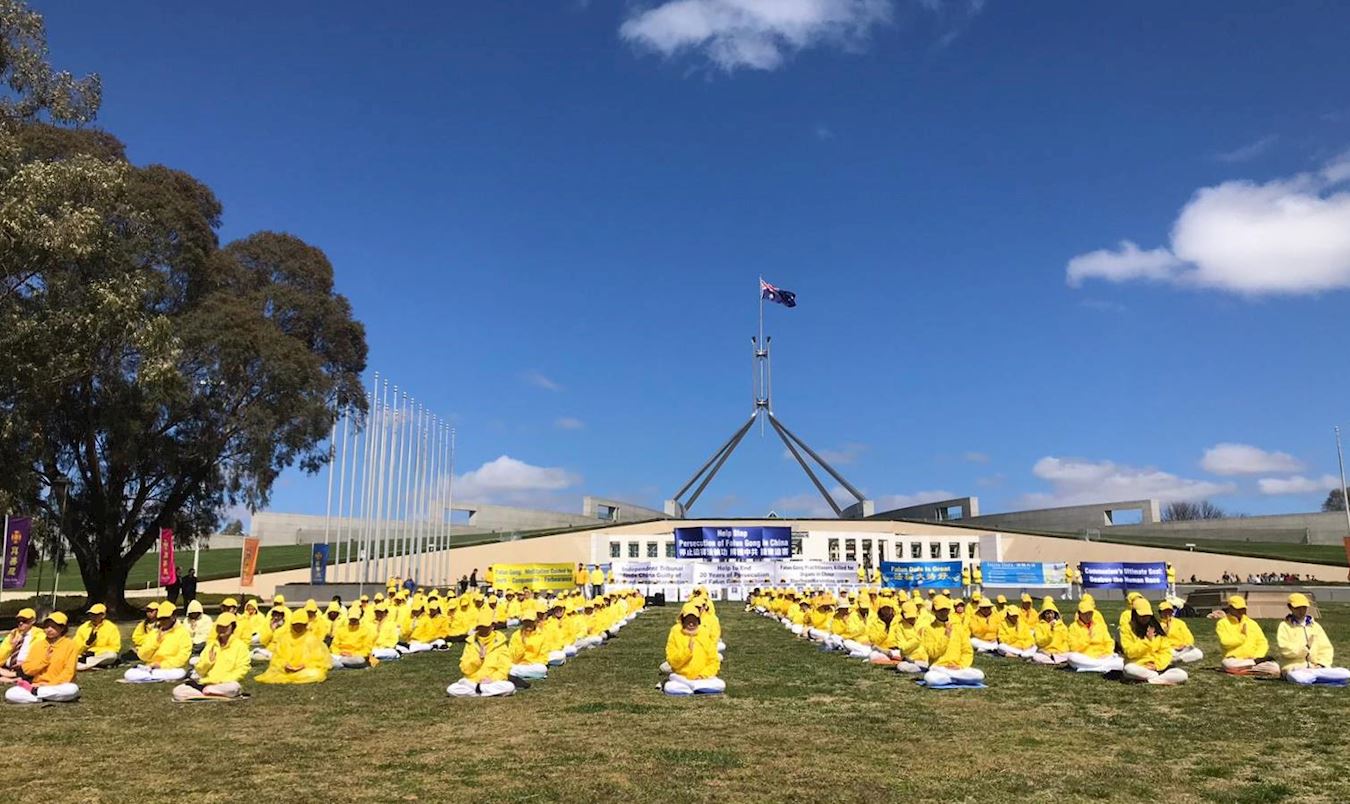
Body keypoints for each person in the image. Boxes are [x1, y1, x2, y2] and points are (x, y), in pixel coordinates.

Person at [4, 612, 80, 704]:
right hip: (37, 685)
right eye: (47, 627)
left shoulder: (71, 645)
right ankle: (44, 697)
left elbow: (69, 672)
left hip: (59, 685)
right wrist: (44, 661)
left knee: (72, 690)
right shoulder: (38, 645)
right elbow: (28, 670)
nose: (49, 630)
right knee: (10, 694)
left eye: (53, 627)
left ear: (62, 628)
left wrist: (50, 685)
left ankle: (37, 694)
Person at [172, 613, 250, 702]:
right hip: (206, 683)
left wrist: (221, 680)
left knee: (234, 687)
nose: (221, 629)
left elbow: (242, 669)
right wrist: (208, 662)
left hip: (225, 684)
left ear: (233, 627)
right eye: (219, 626)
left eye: (225, 626)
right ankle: (209, 693)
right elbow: (199, 671)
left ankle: (208, 693)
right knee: (177, 691)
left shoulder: (240, 646)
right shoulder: (211, 646)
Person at [1276, 593, 1350, 685]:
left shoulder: (1315, 626)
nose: (1301, 611)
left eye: (1304, 607)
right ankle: (1320, 678)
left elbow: (1326, 648)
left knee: (1345, 673)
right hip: (1294, 668)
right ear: (1290, 608)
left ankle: (1317, 675)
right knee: (1297, 677)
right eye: (1297, 608)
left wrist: (1321, 664)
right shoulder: (1284, 626)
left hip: (1315, 667)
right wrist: (1305, 649)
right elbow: (1285, 649)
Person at [448, 611, 516, 697]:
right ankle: (482, 690)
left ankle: (478, 690)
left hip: (492, 682)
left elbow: (505, 667)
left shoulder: (500, 642)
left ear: (492, 627)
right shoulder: (470, 642)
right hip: (473, 681)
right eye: (480, 627)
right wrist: (479, 659)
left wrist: (492, 679)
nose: (483, 630)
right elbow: (464, 669)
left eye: (485, 627)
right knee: (451, 689)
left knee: (509, 687)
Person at [920, 596, 984, 687]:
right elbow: (932, 653)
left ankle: (950, 679)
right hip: (939, 667)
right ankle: (958, 679)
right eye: (940, 610)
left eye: (946, 609)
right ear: (934, 610)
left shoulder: (958, 627)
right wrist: (946, 636)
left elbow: (967, 651)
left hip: (957, 668)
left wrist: (961, 665)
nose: (943, 612)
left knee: (980, 675)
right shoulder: (928, 629)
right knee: (930, 678)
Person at [1121, 600, 1187, 685]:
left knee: (1182, 675)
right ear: (1134, 614)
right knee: (1129, 669)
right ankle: (1160, 679)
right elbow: (1130, 652)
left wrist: (1157, 665)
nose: (1145, 618)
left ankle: (1149, 680)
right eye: (1142, 615)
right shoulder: (1127, 629)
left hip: (1157, 667)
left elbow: (1165, 652)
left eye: (1148, 615)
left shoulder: (1156, 628)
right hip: (1138, 666)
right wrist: (1147, 641)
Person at [662, 604, 724, 695]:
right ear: (683, 621)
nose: (691, 623)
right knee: (670, 687)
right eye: (688, 620)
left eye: (694, 620)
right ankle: (695, 688)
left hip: (702, 679)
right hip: (682, 677)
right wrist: (688, 652)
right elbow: (673, 662)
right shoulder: (675, 633)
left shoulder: (704, 633)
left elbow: (714, 661)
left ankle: (690, 687)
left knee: (720, 684)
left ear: (698, 621)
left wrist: (702, 675)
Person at [254, 611, 330, 685]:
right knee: (274, 671)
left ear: (306, 624)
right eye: (296, 624)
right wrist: (285, 665)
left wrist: (304, 666)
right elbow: (277, 658)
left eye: (301, 624)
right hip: (285, 670)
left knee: (315, 674)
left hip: (304, 670)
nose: (298, 627)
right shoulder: (284, 638)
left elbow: (318, 660)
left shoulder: (311, 639)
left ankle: (294, 676)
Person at [123, 603, 192, 683]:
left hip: (171, 668)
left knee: (179, 673)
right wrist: (156, 643)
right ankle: (152, 677)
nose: (163, 621)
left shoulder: (182, 632)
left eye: (166, 618)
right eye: (160, 619)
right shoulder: (154, 633)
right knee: (128, 674)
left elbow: (183, 657)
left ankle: (149, 677)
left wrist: (162, 665)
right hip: (150, 668)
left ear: (174, 617)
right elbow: (142, 655)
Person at [1216, 595, 1280, 677]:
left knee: (1275, 668)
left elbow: (1262, 642)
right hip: (1234, 659)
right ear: (1230, 608)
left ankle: (1244, 669)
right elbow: (1225, 642)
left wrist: (1258, 656)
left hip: (1253, 658)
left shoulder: (1252, 623)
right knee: (1228, 664)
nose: (1241, 611)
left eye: (1243, 609)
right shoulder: (1222, 623)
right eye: (1238, 609)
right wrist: (1242, 637)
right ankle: (1251, 667)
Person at [1066, 598, 1123, 673]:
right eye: (1085, 613)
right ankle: (1104, 667)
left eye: (1090, 613)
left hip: (1103, 656)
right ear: (1079, 614)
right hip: (1085, 657)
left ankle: (1089, 668)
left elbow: (1108, 641)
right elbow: (1073, 647)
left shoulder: (1099, 626)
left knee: (1121, 660)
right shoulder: (1073, 627)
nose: (1088, 616)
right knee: (1071, 657)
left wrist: (1106, 653)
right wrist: (1088, 639)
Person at [74, 603, 122, 670]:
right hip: (84, 655)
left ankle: (85, 664)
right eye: (91, 615)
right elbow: (75, 648)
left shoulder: (111, 628)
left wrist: (94, 652)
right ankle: (93, 665)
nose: (93, 617)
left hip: (100, 655)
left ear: (103, 615)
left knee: (112, 655)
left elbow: (115, 648)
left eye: (96, 615)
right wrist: (87, 643)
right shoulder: (83, 627)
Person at [1156, 599, 1202, 664]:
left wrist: (1185, 645)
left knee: (1198, 653)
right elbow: (1158, 642)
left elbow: (1188, 636)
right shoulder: (1156, 625)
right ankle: (1176, 659)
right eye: (1165, 612)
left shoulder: (1180, 623)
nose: (1167, 614)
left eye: (1169, 611)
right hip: (1169, 649)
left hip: (1183, 648)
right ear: (1160, 613)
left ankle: (1177, 659)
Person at [509, 615, 550, 683]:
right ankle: (531, 675)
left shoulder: (542, 635)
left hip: (533, 665)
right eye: (526, 621)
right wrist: (522, 644)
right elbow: (511, 657)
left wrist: (530, 663)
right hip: (518, 665)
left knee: (543, 669)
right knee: (508, 667)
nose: (528, 624)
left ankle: (518, 675)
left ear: (535, 622)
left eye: (530, 621)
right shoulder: (516, 635)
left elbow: (544, 658)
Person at [1032, 598, 1070, 666]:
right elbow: (1039, 642)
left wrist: (1063, 651)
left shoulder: (1061, 625)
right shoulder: (1039, 626)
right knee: (1036, 656)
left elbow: (1066, 640)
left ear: (1055, 614)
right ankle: (1057, 660)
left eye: (1051, 613)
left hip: (1060, 652)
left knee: (1072, 656)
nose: (1049, 616)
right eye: (1047, 613)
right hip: (1046, 652)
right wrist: (1050, 631)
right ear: (1043, 614)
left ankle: (1055, 660)